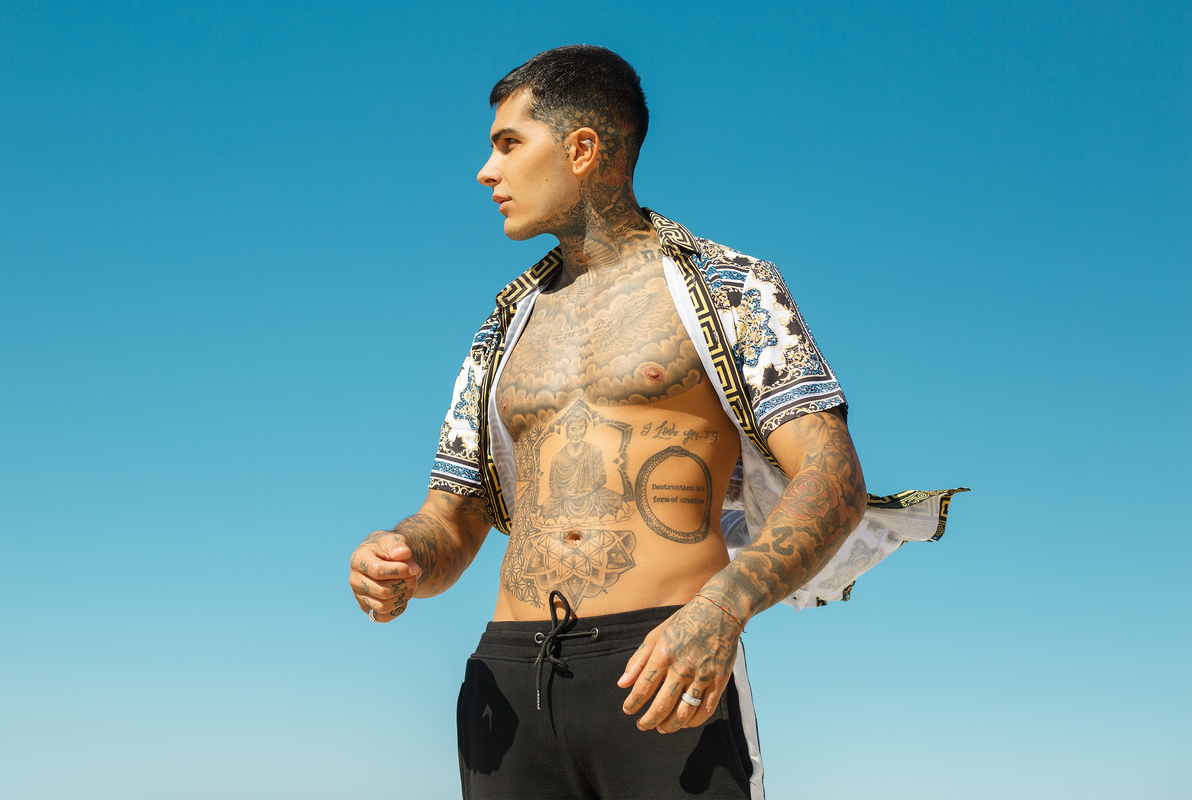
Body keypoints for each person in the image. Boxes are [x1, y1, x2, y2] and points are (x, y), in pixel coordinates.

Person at [349, 45, 960, 800]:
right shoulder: (503, 327)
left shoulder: (730, 288)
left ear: (581, 149)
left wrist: (723, 609)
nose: (486, 171)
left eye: (508, 143)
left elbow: (832, 477)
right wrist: (403, 557)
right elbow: (454, 515)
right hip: (507, 679)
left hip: (666, 666)